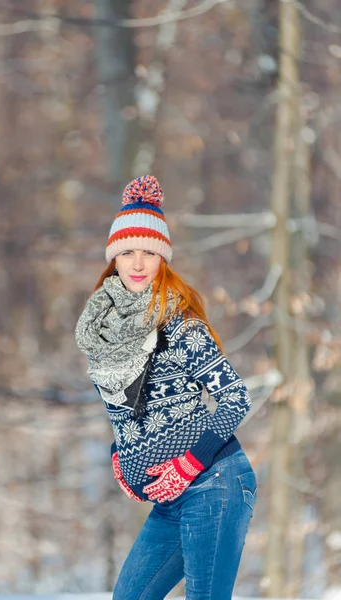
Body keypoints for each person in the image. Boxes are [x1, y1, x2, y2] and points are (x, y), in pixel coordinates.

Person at [75, 175, 257, 600]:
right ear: (113, 260)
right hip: (169, 501)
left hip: (214, 482)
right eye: (127, 252)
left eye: (149, 253)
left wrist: (188, 465)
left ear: (163, 260)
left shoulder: (180, 325)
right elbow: (125, 411)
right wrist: (119, 454)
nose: (138, 263)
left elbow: (235, 398)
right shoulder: (103, 334)